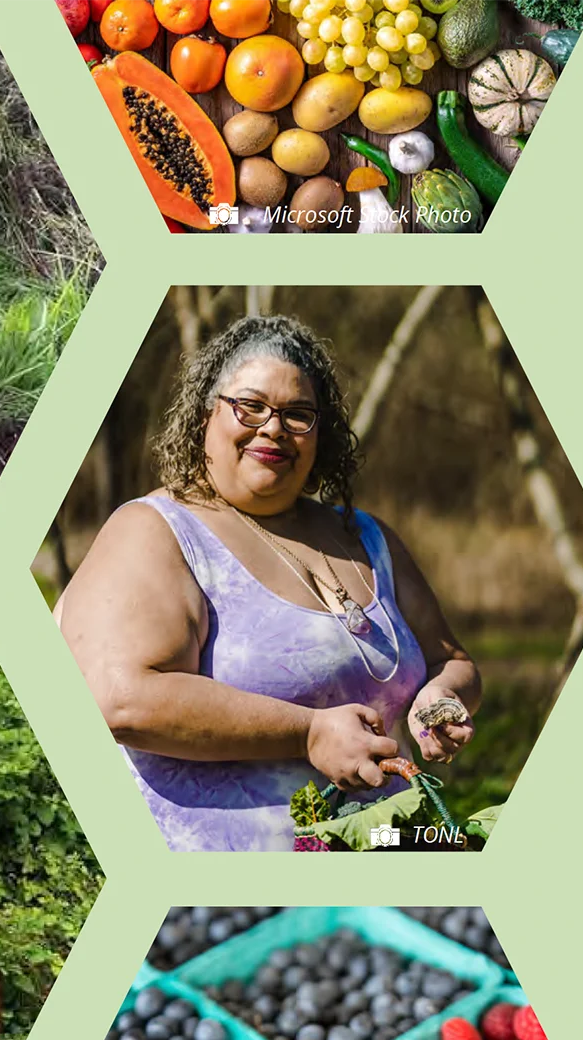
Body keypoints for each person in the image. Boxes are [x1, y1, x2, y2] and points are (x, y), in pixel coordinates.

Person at [56, 315, 481, 852]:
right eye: (250, 406)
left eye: (297, 415)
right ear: (205, 414)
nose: (274, 428)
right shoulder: (154, 531)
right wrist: (308, 732)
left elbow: (451, 659)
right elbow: (121, 698)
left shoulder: (368, 538)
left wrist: (439, 697)